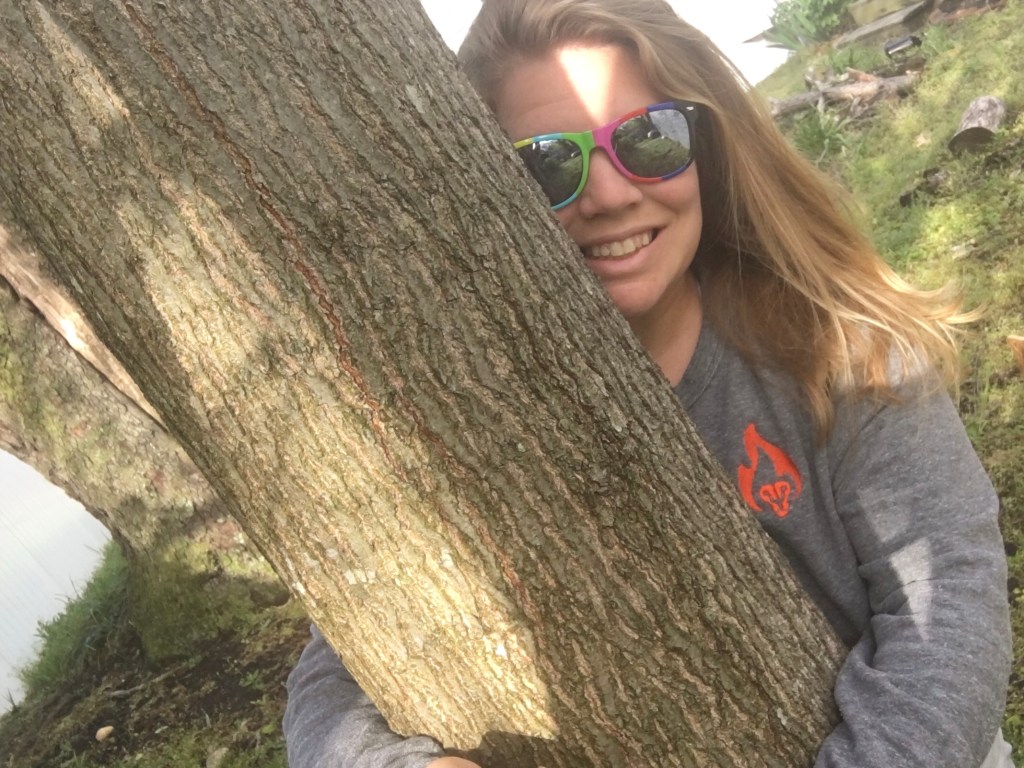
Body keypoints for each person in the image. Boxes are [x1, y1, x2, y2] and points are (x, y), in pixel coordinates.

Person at [283, 0, 1014, 765]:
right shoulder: (466, 413)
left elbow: (948, 612)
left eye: (648, 139)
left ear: (707, 142)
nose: (609, 196)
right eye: (548, 163)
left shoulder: (839, 348)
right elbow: (341, 661)